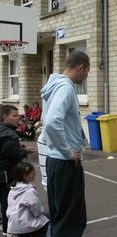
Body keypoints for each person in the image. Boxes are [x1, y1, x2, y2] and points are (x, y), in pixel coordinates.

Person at [40, 50, 90, 237]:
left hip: (55, 162)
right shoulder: (66, 88)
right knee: (70, 222)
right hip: (65, 163)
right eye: (87, 71)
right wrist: (67, 151)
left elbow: (46, 120)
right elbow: (52, 121)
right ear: (81, 67)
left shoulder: (52, 86)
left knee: (59, 217)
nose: (87, 75)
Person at [0, 104, 37, 235]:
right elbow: (14, 154)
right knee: (8, 202)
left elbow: (7, 149)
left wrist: (21, 148)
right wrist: (25, 151)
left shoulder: (4, 131)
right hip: (6, 174)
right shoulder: (8, 134)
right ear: (5, 117)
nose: (18, 118)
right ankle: (7, 229)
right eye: (14, 116)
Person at [6, 161, 49, 237]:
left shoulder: (12, 190)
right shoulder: (29, 191)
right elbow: (37, 210)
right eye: (32, 173)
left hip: (15, 225)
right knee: (47, 220)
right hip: (27, 224)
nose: (34, 175)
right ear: (25, 176)